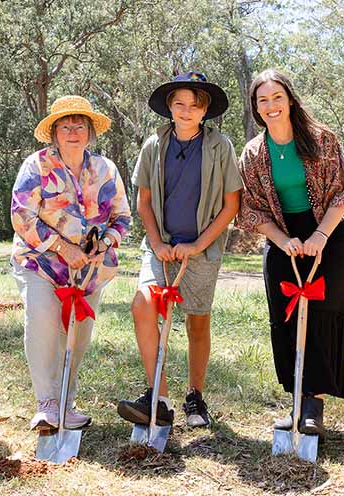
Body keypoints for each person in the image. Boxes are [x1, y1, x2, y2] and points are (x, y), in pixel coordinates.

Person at [238, 69, 344, 435]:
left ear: (290, 100)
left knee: (322, 317)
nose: (271, 105)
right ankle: (295, 401)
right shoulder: (253, 153)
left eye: (277, 97)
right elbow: (252, 211)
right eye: (263, 100)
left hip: (327, 238)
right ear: (256, 108)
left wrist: (321, 235)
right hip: (283, 243)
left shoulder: (322, 140)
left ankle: (313, 408)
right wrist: (281, 240)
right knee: (287, 319)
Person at [117, 72, 242, 429]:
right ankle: (159, 397)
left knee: (196, 321)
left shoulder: (221, 148)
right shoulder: (154, 146)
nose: (186, 111)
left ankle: (195, 397)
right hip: (161, 246)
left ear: (205, 111)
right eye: (179, 104)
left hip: (201, 250)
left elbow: (231, 204)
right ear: (169, 108)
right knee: (143, 303)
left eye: (194, 105)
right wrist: (157, 243)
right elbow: (144, 200)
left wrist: (200, 244)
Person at [11, 95, 131, 431]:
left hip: (91, 269)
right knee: (44, 323)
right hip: (41, 263)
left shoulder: (106, 170)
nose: (73, 131)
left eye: (80, 125)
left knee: (77, 335)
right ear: (55, 133)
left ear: (91, 131)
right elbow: (21, 216)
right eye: (66, 126)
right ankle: (46, 403)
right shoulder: (36, 166)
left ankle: (66, 400)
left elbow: (122, 217)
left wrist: (105, 243)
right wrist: (63, 248)